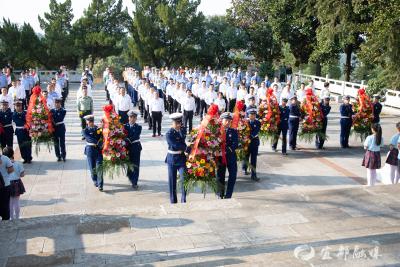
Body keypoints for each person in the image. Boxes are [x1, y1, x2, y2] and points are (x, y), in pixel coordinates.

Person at [165, 113, 187, 203]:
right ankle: (173, 201)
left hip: (181, 158)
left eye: (179, 123)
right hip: (172, 159)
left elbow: (183, 140)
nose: (178, 125)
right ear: (172, 123)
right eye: (176, 123)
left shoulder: (182, 130)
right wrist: (186, 148)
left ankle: (183, 199)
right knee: (172, 181)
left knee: (184, 179)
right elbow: (175, 145)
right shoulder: (169, 133)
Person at [217, 112, 238, 199]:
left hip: (231, 157)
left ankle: (228, 195)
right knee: (220, 177)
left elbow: (235, 144)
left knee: (232, 176)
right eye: (226, 120)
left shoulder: (233, 131)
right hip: (220, 158)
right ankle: (220, 194)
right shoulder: (217, 131)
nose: (228, 122)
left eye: (229, 121)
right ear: (222, 120)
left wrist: (225, 151)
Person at [2, 147, 25, 220]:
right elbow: (22, 175)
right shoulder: (18, 163)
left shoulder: (3, 163)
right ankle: (17, 217)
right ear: (12, 154)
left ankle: (11, 217)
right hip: (17, 183)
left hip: (7, 184)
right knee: (17, 201)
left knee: (9, 203)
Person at [83, 115, 104, 191]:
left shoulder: (98, 128)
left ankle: (100, 184)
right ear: (86, 122)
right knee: (92, 168)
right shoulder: (85, 130)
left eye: (92, 121)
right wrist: (99, 142)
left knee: (99, 167)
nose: (91, 123)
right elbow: (89, 139)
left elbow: (103, 136)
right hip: (90, 150)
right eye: (89, 121)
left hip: (98, 150)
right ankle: (95, 180)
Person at [124, 111, 142, 189]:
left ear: (136, 118)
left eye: (134, 117)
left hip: (135, 147)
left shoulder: (138, 127)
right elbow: (123, 135)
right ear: (128, 118)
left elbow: (135, 136)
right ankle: (130, 176)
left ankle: (135, 182)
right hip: (127, 147)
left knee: (135, 164)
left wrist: (127, 139)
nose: (132, 119)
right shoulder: (124, 126)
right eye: (131, 117)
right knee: (129, 163)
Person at [242, 109, 261, 181]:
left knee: (253, 159)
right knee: (246, 157)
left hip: (254, 143)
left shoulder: (258, 122)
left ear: (255, 115)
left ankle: (254, 175)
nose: (252, 116)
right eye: (250, 114)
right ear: (248, 115)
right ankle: (244, 169)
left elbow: (256, 131)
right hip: (246, 143)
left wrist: (249, 136)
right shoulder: (244, 122)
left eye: (253, 115)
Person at [0, 151, 14, 220]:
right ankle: (6, 222)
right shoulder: (5, 158)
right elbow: (11, 169)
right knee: (5, 205)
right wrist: (5, 174)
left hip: (4, 185)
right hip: (5, 185)